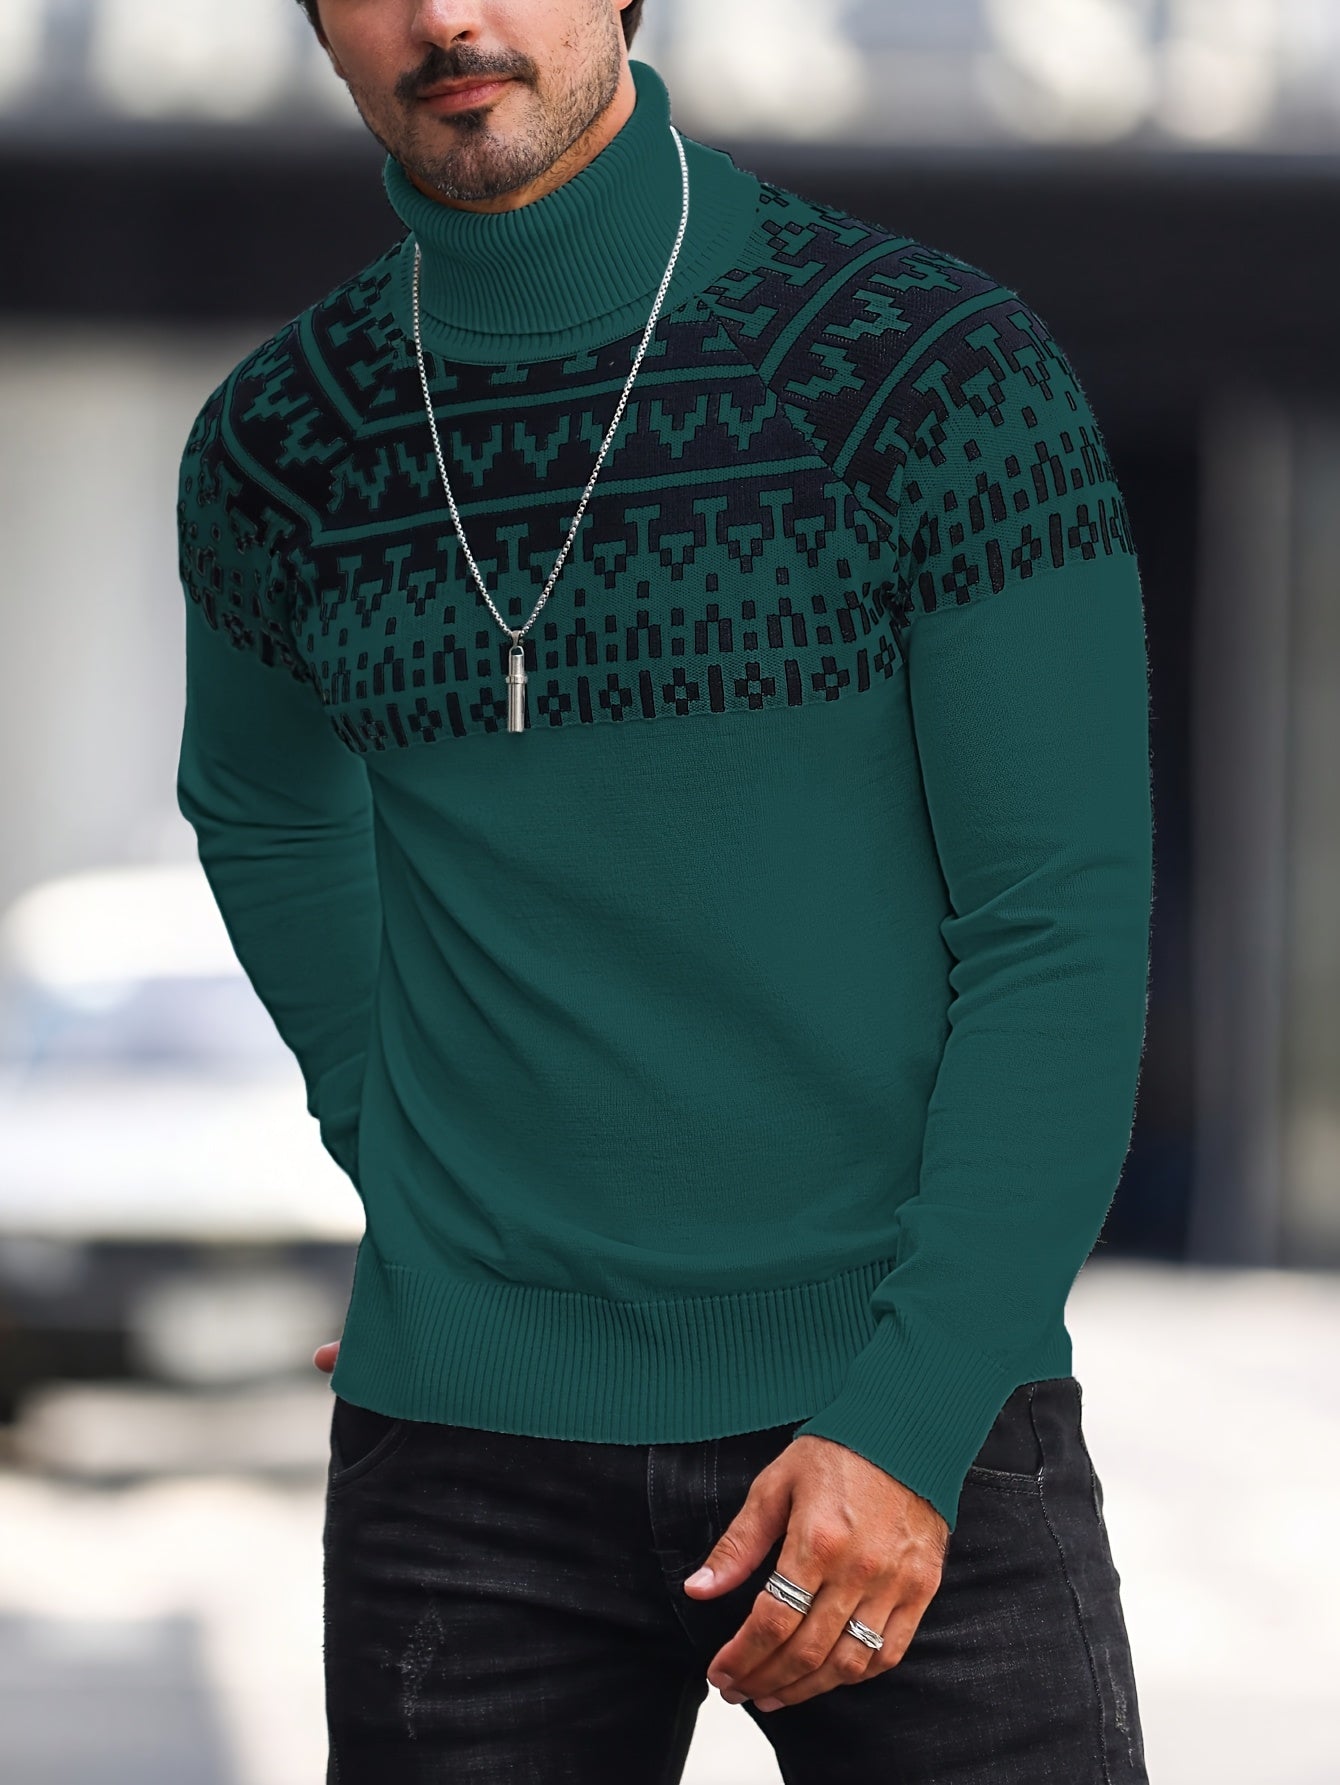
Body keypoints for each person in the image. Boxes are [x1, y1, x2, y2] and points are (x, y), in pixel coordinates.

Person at [174, 1, 1154, 1779]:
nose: (447, 17)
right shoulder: (275, 445)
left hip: (908, 1412)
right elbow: (258, 802)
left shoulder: (935, 369)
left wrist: (914, 1411)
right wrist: (415, 1160)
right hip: (462, 1454)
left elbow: (1058, 928)